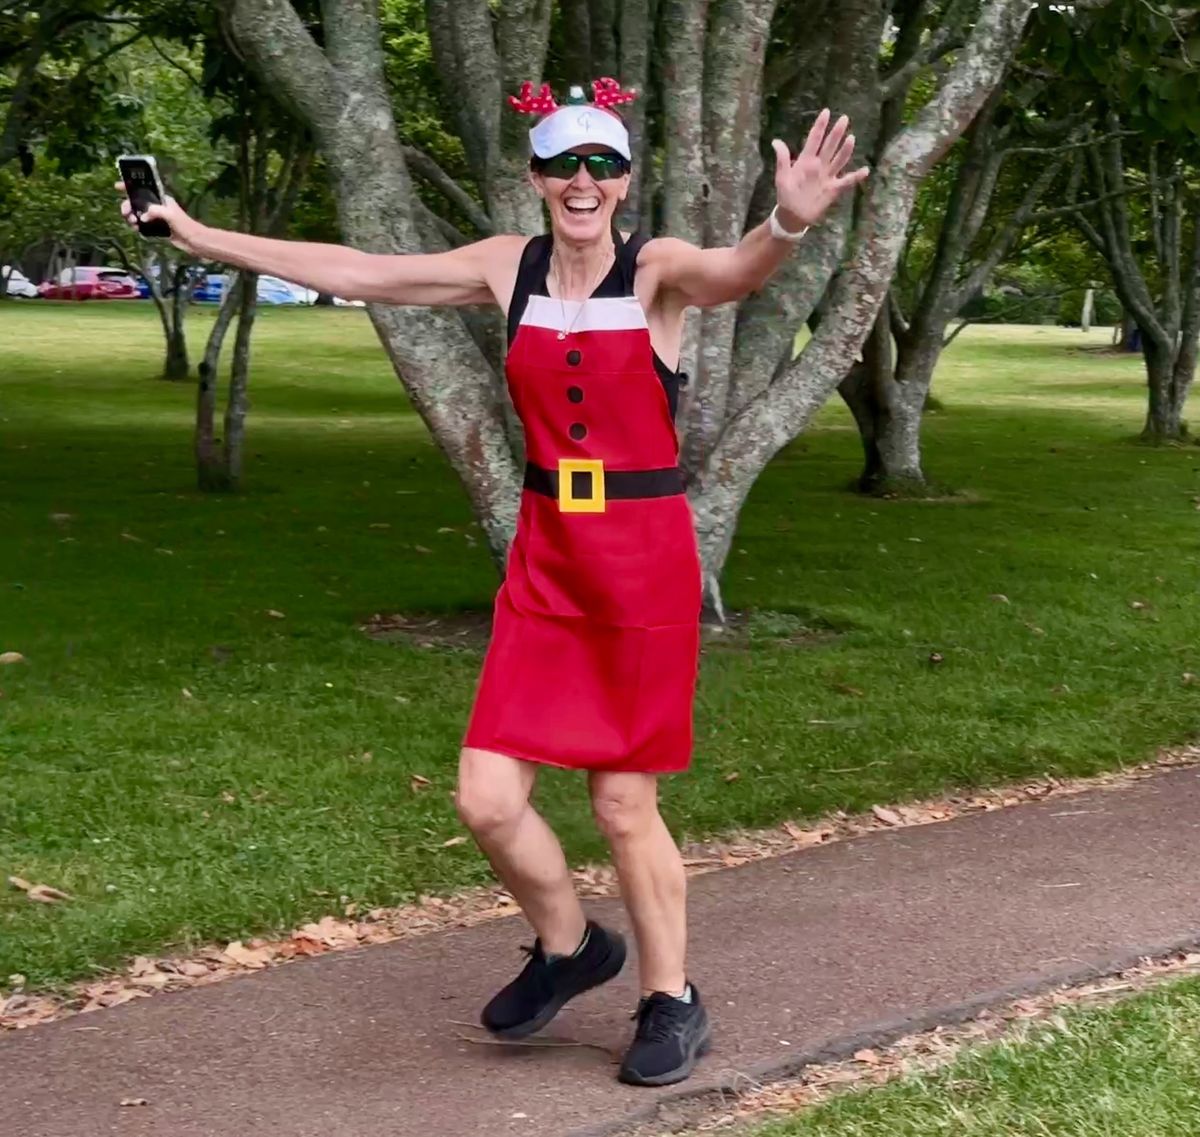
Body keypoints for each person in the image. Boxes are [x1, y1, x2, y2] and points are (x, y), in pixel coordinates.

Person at [117, 77, 867, 1088]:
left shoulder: (656, 271)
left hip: (641, 561)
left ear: (626, 178)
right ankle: (570, 947)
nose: (583, 181)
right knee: (486, 798)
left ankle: (670, 998)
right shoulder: (503, 268)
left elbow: (736, 272)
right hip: (549, 555)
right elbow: (362, 270)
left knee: (620, 803)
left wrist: (786, 221)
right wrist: (204, 237)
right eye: (563, 164)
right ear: (537, 179)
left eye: (602, 163)